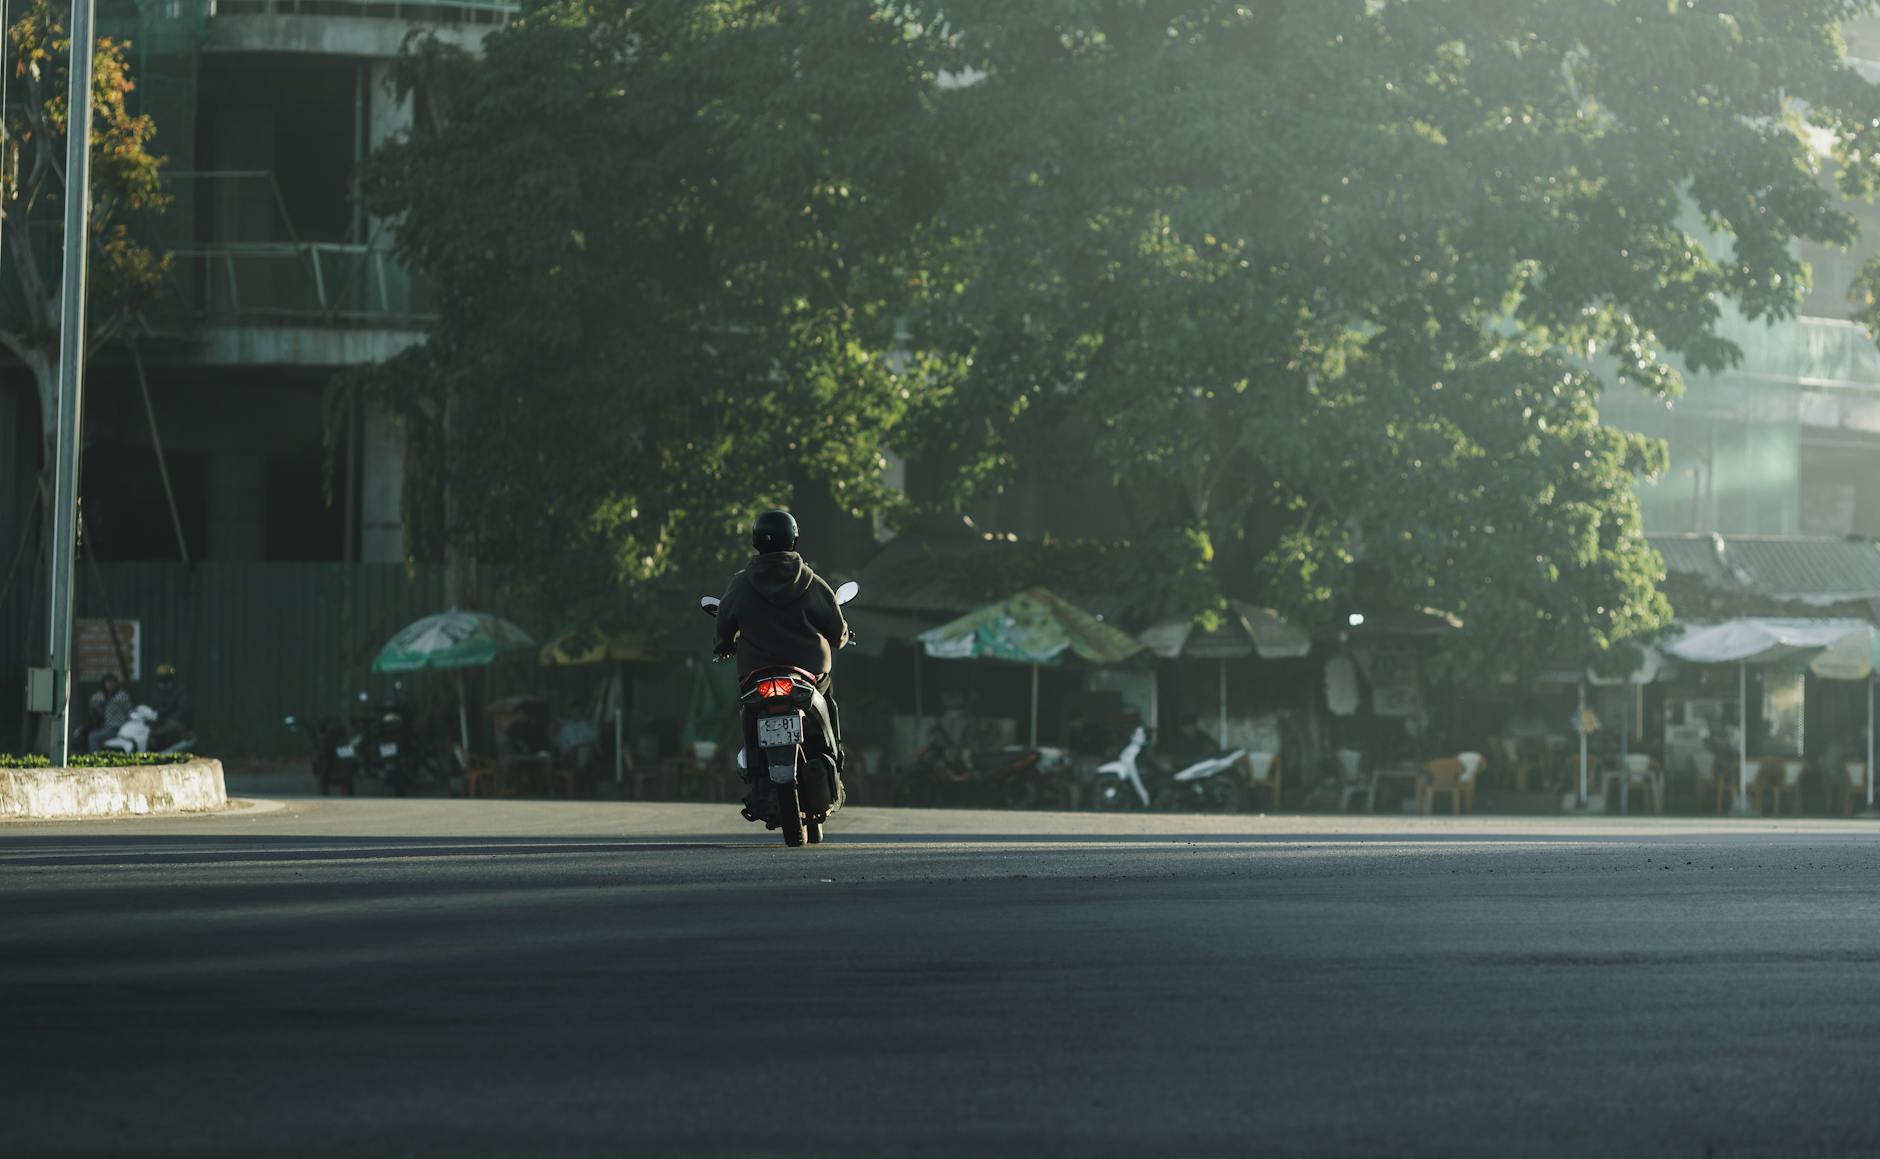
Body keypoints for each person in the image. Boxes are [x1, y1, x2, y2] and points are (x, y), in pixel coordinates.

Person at [711, 510, 850, 788]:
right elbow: (836, 627)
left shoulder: (740, 584)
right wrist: (840, 637)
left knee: (748, 710)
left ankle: (754, 763)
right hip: (809, 673)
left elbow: (724, 620)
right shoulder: (812, 582)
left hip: (756, 673)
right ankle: (834, 755)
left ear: (756, 542)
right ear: (794, 539)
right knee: (828, 698)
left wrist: (724, 645)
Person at [148, 663, 194, 750]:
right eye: (161, 679)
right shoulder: (156, 692)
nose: (162, 683)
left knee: (164, 730)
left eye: (165, 679)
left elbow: (183, 710)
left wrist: (169, 718)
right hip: (159, 721)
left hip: (176, 721)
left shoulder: (180, 691)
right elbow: (152, 708)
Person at [87, 673, 132, 753]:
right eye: (107, 683)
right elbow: (93, 701)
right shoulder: (102, 695)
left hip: (118, 729)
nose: (109, 685)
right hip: (106, 728)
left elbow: (128, 710)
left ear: (116, 683)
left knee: (92, 736)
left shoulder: (121, 696)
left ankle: (95, 759)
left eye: (111, 682)